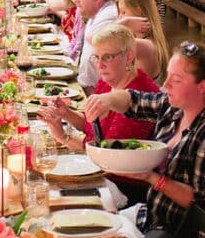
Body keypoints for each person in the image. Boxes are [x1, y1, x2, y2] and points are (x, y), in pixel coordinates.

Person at [83, 41, 205, 238]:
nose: (165, 84)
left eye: (176, 80)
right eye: (168, 76)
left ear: (202, 87)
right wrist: (107, 100)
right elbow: (133, 100)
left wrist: (151, 177)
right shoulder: (175, 109)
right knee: (92, 229)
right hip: (155, 217)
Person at [38, 24, 159, 204]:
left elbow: (105, 155)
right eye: (97, 57)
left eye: (107, 57)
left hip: (122, 188)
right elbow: (91, 126)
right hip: (99, 172)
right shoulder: (108, 81)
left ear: (129, 57)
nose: (100, 65)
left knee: (44, 191)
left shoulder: (139, 96)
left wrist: (63, 136)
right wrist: (67, 113)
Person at [75, 0, 118, 95]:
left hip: (99, 95)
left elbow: (95, 41)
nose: (76, 0)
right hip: (88, 89)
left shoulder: (109, 15)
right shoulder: (96, 13)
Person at [118, 0, 170, 83]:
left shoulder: (145, 44)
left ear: (139, 11)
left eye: (123, 13)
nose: (119, 18)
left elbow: (100, 40)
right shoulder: (140, 40)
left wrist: (124, 23)